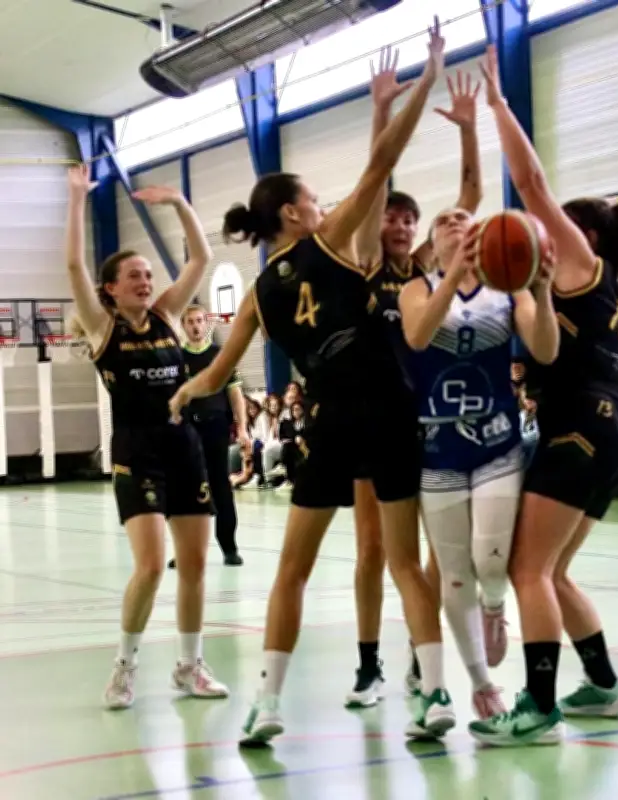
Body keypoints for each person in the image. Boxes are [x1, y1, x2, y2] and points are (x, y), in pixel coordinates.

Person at [169, 21, 457, 746]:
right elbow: (383, 163)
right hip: (385, 409)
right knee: (403, 562)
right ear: (295, 214)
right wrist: (423, 80)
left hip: (330, 423)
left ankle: (268, 702)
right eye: (317, 200)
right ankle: (434, 695)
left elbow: (216, 372)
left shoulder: (259, 293)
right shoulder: (328, 244)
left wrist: (182, 393)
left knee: (292, 570)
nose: (327, 207)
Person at [468, 47, 618, 746]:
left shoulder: (581, 265)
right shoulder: (613, 291)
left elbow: (531, 184)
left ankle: (537, 708)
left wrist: (498, 106)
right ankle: (604, 685)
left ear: (582, 237)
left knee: (527, 569)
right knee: (556, 570)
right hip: (610, 433)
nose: (543, 236)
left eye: (554, 230)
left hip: (577, 430)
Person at [346, 49, 484, 708]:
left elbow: (469, 200)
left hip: (425, 418)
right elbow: (375, 176)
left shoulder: (425, 270)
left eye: (408, 218)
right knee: (372, 549)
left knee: (433, 549)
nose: (400, 225)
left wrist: (468, 128)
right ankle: (367, 663)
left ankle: (418, 653)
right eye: (391, 217)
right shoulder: (365, 263)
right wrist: (381, 110)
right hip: (369, 418)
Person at [65, 165, 229, 709]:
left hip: (184, 448)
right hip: (136, 453)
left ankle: (190, 665)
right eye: (133, 275)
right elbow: (74, 264)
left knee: (195, 565)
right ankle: (124, 667)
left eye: (148, 274)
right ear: (111, 288)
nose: (145, 281)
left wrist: (180, 202)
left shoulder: (167, 316)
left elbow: (201, 258)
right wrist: (77, 199)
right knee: (153, 565)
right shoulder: (102, 327)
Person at [399, 205, 559, 720]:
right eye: (444, 220)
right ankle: (481, 684)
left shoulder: (508, 290)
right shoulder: (416, 289)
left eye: (464, 217)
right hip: (437, 447)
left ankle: (495, 605)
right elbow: (418, 336)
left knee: (490, 561)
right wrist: (451, 277)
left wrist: (542, 291)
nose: (455, 221)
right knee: (453, 572)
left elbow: (545, 350)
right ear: (432, 243)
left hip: (495, 441)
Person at [167, 304, 245, 568]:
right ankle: (184, 550)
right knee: (185, 488)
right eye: (190, 322)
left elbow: (235, 394)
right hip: (188, 430)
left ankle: (229, 547)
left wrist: (242, 428)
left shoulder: (219, 356)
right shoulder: (177, 359)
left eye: (200, 321)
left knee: (220, 486)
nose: (196, 326)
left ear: (206, 323)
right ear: (183, 326)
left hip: (216, 428)